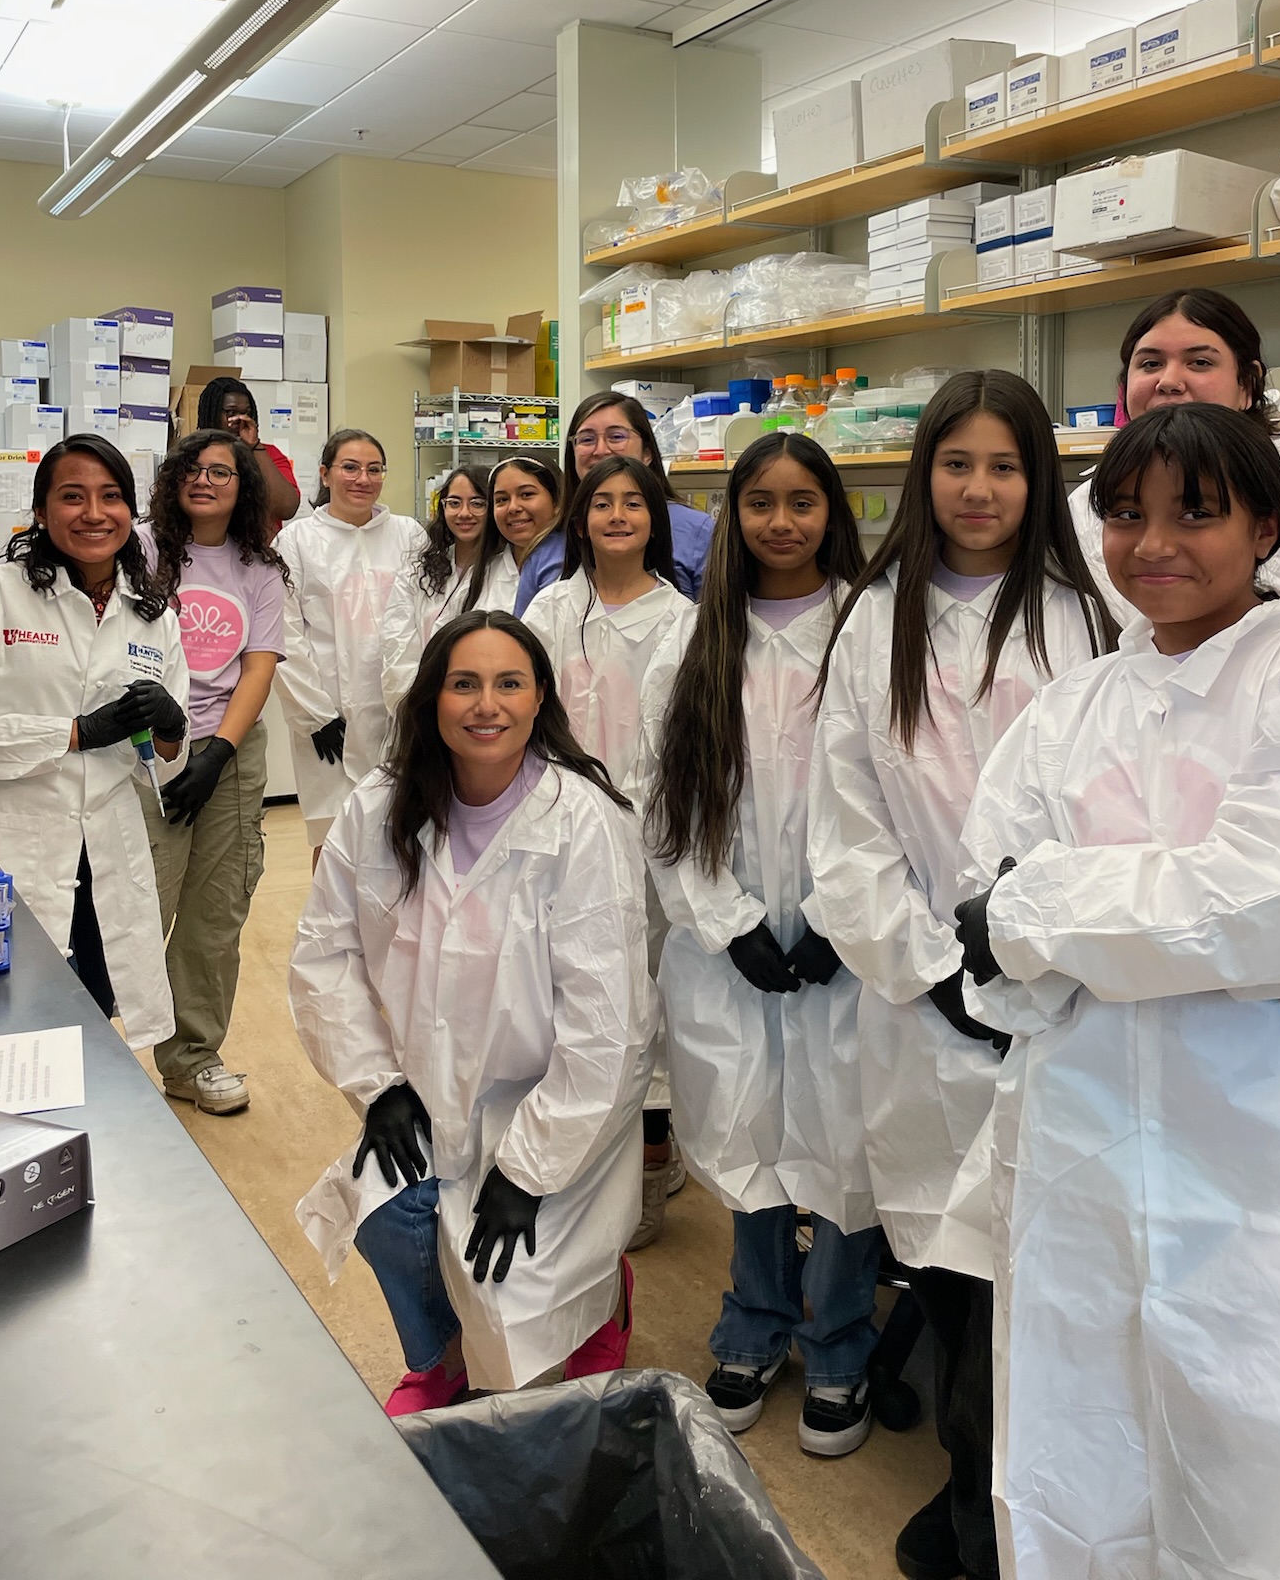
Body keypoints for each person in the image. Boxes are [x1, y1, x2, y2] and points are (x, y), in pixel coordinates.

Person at [954, 401, 1280, 1580]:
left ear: (1265, 523)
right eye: (1124, 514)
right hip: (1086, 1142)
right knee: (1081, 1437)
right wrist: (1187, 932)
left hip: (1272, 1149)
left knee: (1269, 1441)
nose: (1153, 542)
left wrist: (1048, 911)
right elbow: (983, 926)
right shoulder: (1073, 705)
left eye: (1194, 514)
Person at [808, 372, 1116, 1580]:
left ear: (1039, 481)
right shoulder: (873, 616)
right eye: (957, 463)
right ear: (921, 473)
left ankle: (1021, 1508)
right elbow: (847, 822)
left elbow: (1107, 813)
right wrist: (931, 967)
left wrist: (1030, 959)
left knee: (1039, 1282)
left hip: (1056, 1003)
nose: (979, 488)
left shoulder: (1081, 619)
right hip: (925, 1015)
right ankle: (970, 1485)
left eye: (1005, 465)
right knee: (942, 1264)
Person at [289, 611, 657, 1412]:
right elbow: (324, 957)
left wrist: (529, 1172)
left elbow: (611, 1027)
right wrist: (377, 1085)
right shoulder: (378, 809)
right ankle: (442, 1357)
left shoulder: (583, 822)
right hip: (426, 1094)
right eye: (464, 683)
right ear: (431, 698)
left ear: (539, 700)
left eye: (508, 684)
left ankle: (601, 1298)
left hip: (556, 1114)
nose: (485, 705)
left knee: (510, 1286)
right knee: (387, 1215)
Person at [642, 431, 884, 1458]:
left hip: (849, 943)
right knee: (744, 1129)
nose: (782, 521)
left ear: (834, 509)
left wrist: (845, 915)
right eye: (760, 503)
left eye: (803, 501)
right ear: (730, 517)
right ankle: (754, 1318)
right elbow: (663, 804)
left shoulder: (872, 632)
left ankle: (837, 1335)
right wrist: (727, 919)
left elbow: (901, 794)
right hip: (730, 944)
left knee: (845, 1133)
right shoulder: (691, 641)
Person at [0, 436, 187, 1041]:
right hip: (13, 842)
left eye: (110, 497)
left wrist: (171, 728)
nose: (94, 513)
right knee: (14, 1021)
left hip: (108, 849)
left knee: (98, 1017)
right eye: (72, 497)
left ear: (129, 511)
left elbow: (164, 770)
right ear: (40, 511)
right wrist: (73, 733)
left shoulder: (152, 614)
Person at [524, 456, 687, 1251]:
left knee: (644, 1009)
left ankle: (651, 1171)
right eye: (602, 504)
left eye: (634, 503)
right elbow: (529, 718)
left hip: (649, 848)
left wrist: (631, 823)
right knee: (569, 1003)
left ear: (655, 518)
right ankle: (573, 1160)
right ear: (580, 519)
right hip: (558, 835)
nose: (618, 515)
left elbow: (672, 747)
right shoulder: (554, 609)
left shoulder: (682, 620)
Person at [1070, 287, 1280, 663]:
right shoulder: (1087, 503)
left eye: (1199, 363)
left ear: (1246, 384)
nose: (1169, 380)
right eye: (1150, 364)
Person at [138, 428, 287, 1116]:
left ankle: (192, 1058)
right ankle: (93, 1049)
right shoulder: (141, 550)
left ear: (242, 485)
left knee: (214, 911)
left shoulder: (259, 568)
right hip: (142, 748)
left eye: (221, 472)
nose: (205, 480)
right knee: (139, 903)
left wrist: (220, 752)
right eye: (192, 470)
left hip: (227, 751)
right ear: (173, 481)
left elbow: (257, 667)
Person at [274, 429, 427, 861]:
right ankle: (330, 930)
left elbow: (425, 618)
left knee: (399, 832)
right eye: (350, 467)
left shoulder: (409, 535)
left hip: (397, 711)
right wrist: (314, 714)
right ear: (325, 474)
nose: (363, 478)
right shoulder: (297, 541)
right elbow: (284, 632)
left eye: (374, 469)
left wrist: (414, 701)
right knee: (332, 837)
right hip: (327, 720)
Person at [513, 392, 714, 613]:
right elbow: (523, 643)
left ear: (647, 452)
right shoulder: (548, 544)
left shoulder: (697, 531)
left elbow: (718, 626)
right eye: (587, 439)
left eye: (616, 437)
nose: (600, 451)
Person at [379, 464, 492, 718]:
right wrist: (415, 700)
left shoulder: (505, 573)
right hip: (417, 703)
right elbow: (397, 639)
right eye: (454, 503)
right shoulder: (421, 568)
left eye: (477, 503)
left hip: (475, 708)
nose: (464, 513)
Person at [194, 376, 299, 538]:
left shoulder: (269, 454)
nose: (241, 420)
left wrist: (254, 447)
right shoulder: (192, 454)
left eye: (246, 413)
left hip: (259, 552)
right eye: (231, 413)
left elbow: (287, 508)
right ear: (213, 413)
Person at [466, 456, 560, 614]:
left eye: (526, 494)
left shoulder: (573, 566)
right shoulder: (482, 573)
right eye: (502, 499)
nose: (513, 508)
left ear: (557, 501)